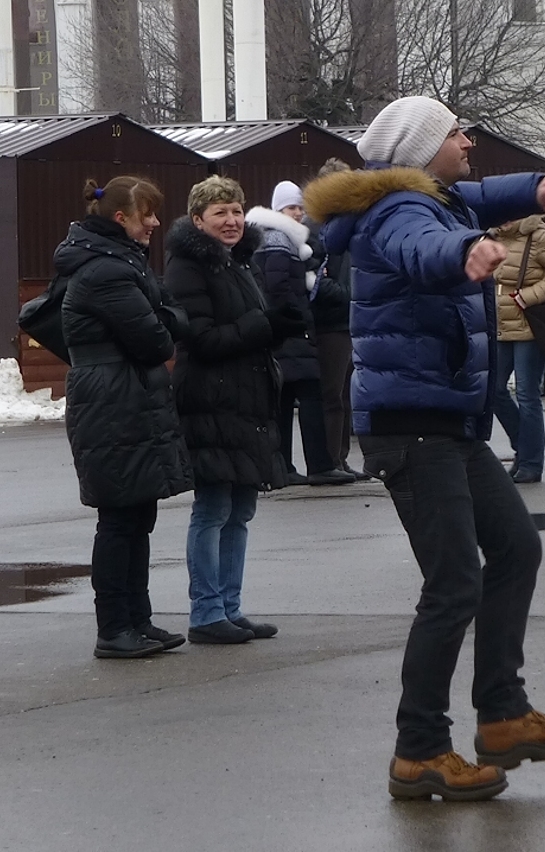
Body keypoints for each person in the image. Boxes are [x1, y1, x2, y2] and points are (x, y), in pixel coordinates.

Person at [304, 95, 545, 802]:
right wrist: (464, 252)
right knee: (456, 580)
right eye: (454, 132)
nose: (468, 140)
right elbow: (419, 248)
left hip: (446, 418)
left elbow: (476, 195)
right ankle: (420, 749)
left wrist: (530, 190)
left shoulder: (434, 196)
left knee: (516, 546)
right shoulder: (404, 213)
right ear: (421, 148)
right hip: (412, 421)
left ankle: (501, 715)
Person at [57, 176, 193, 659]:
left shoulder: (120, 263)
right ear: (121, 218)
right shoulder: (106, 272)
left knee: (138, 514)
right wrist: (165, 319)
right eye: (147, 214)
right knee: (119, 520)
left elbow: (165, 318)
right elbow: (157, 340)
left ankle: (138, 620)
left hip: (123, 396)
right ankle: (114, 628)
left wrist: (163, 317)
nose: (156, 222)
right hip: (113, 401)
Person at [165, 176, 305, 645]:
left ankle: (229, 607)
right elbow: (201, 340)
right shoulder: (187, 266)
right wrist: (263, 324)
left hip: (246, 400)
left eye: (236, 211)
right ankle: (206, 612)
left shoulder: (239, 261)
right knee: (214, 507)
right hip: (210, 400)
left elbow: (249, 330)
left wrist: (277, 327)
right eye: (219, 212)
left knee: (241, 509)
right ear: (198, 218)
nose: (231, 220)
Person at [245, 182, 354, 486]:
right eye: (291, 208)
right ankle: (319, 464)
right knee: (311, 395)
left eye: (300, 208)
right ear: (278, 209)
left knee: (284, 398)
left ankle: (285, 467)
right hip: (292, 331)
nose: (298, 213)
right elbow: (278, 286)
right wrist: (298, 316)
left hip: (283, 330)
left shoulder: (272, 238)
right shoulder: (280, 239)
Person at [492, 215, 545, 483]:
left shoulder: (537, 236)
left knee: (527, 394)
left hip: (529, 326)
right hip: (499, 326)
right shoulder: (492, 238)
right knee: (493, 390)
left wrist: (528, 296)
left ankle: (531, 463)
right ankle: (523, 447)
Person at [306, 159, 370, 481]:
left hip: (346, 320)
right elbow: (312, 280)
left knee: (345, 394)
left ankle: (341, 459)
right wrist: (348, 293)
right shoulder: (314, 228)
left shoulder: (344, 225)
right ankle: (330, 460)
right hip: (329, 323)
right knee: (332, 394)